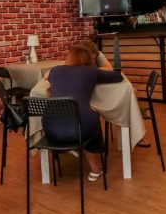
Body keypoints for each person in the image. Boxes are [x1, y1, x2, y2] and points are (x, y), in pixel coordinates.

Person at [45, 47, 123, 181]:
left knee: (79, 117)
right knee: (90, 117)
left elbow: (49, 78)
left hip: (50, 129)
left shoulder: (56, 70)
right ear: (88, 59)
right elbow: (118, 77)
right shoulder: (90, 71)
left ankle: (69, 148)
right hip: (80, 129)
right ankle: (95, 169)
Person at [76, 40, 152, 148]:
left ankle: (132, 133)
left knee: (131, 92)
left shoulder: (98, 54)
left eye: (94, 58)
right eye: (91, 58)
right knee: (128, 94)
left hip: (98, 93)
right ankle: (88, 137)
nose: (93, 61)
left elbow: (109, 68)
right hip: (85, 96)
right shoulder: (76, 58)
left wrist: (92, 72)